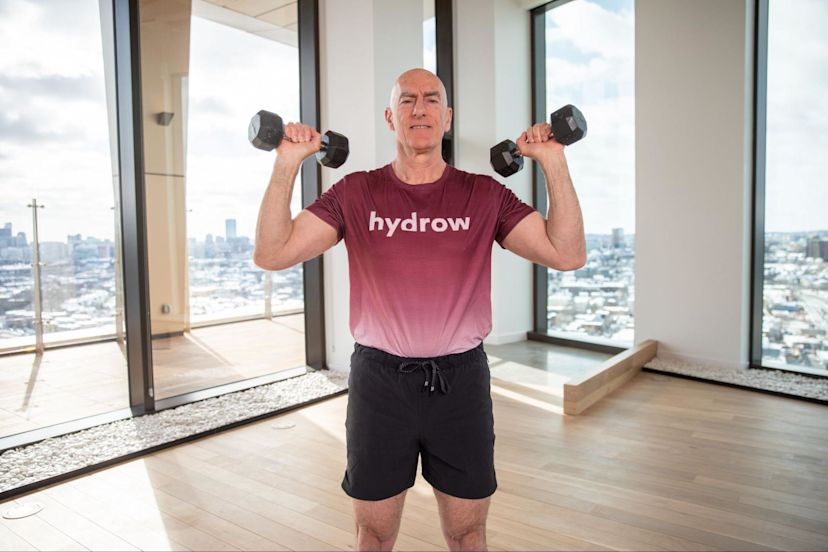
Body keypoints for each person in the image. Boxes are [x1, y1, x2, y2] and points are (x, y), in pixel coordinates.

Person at [253, 68, 586, 551]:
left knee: (467, 532)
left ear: (446, 117)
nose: (419, 109)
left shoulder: (485, 194)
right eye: (407, 101)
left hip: (461, 383)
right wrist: (287, 162)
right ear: (391, 117)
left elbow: (567, 254)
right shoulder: (355, 192)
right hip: (379, 384)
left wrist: (552, 159)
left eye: (431, 100)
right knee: (375, 532)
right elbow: (272, 253)